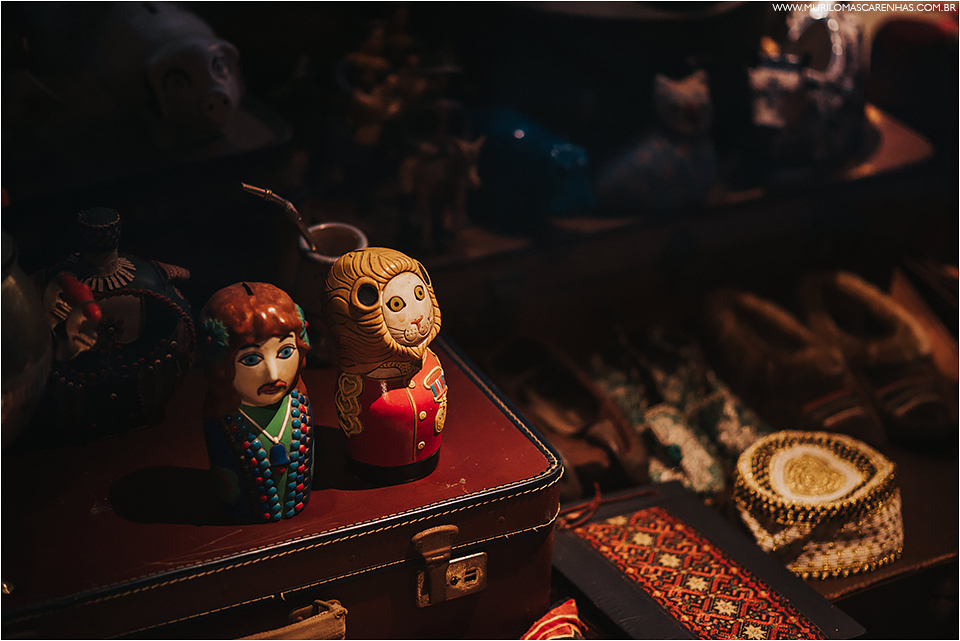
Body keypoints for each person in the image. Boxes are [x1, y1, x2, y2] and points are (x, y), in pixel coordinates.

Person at [323, 248, 446, 483]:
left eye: (419, 293)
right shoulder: (359, 382)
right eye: (397, 304)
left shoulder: (427, 361)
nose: (417, 315)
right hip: (373, 472)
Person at [198, 282, 314, 522]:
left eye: (285, 352)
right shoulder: (222, 418)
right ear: (221, 366)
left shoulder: (298, 405)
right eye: (251, 359)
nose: (273, 374)